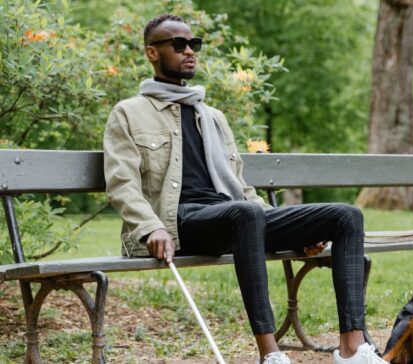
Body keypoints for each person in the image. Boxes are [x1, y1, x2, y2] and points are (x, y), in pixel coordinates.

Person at [103, 14, 388, 364]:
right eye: (178, 45)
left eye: (195, 44)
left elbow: (240, 186)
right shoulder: (129, 113)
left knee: (345, 216)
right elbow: (121, 184)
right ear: (152, 53)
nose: (189, 50)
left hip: (237, 217)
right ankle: (270, 353)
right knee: (247, 213)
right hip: (176, 223)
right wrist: (150, 227)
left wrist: (290, 233)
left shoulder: (213, 117)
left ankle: (352, 348)